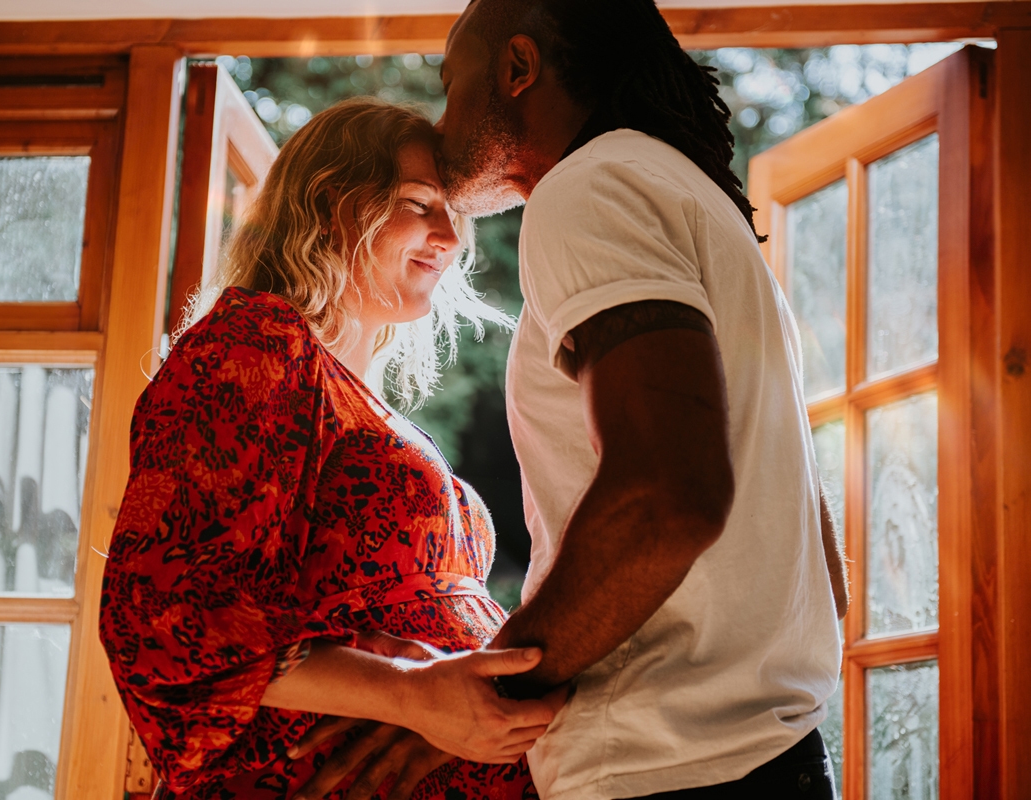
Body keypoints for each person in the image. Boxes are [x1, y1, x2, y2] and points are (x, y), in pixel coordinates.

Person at [298, 1, 850, 798]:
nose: (443, 121)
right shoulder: (689, 198)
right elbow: (820, 563)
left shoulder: (590, 186)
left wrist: (479, 699)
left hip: (664, 773)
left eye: (453, 87)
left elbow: (667, 496)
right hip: (768, 756)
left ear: (518, 69)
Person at [98, 98, 565, 800]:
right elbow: (164, 611)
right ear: (329, 204)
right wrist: (408, 693)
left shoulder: (352, 394)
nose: (450, 237)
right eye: (418, 205)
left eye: (452, 216)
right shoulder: (251, 346)